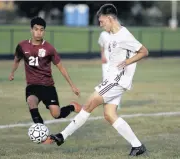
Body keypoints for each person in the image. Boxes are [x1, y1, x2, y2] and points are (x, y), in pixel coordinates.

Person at [50, 4, 149, 156]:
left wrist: (127, 62)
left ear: (110, 19)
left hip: (116, 81)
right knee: (109, 114)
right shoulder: (113, 36)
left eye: (102, 21)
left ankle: (63, 135)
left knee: (89, 103)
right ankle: (137, 146)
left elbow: (144, 51)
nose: (100, 24)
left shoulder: (124, 36)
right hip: (114, 79)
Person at [8, 17, 81, 141]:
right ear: (31, 30)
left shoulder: (49, 48)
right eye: (36, 29)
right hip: (32, 85)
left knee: (56, 114)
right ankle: (43, 136)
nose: (38, 32)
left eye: (41, 30)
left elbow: (61, 67)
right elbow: (16, 60)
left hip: (48, 86)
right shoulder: (22, 46)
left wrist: (72, 85)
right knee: (31, 101)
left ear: (44, 31)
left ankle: (72, 107)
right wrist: (12, 73)